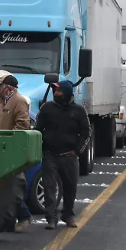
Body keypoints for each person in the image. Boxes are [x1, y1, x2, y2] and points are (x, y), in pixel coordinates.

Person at [35, 80, 90, 230]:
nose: (56, 93)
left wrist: (77, 150)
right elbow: (37, 129)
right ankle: (51, 218)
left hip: (69, 155)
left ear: (66, 93)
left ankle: (68, 215)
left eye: (59, 91)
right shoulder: (47, 108)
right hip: (50, 154)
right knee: (49, 187)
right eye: (55, 90)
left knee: (70, 187)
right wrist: (38, 149)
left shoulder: (79, 111)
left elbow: (86, 133)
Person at [0, 70, 33, 232]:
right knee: (2, 186)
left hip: (11, 148)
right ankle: (11, 219)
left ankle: (24, 216)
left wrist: (8, 139)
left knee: (12, 185)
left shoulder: (19, 101)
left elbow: (22, 125)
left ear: (8, 87)